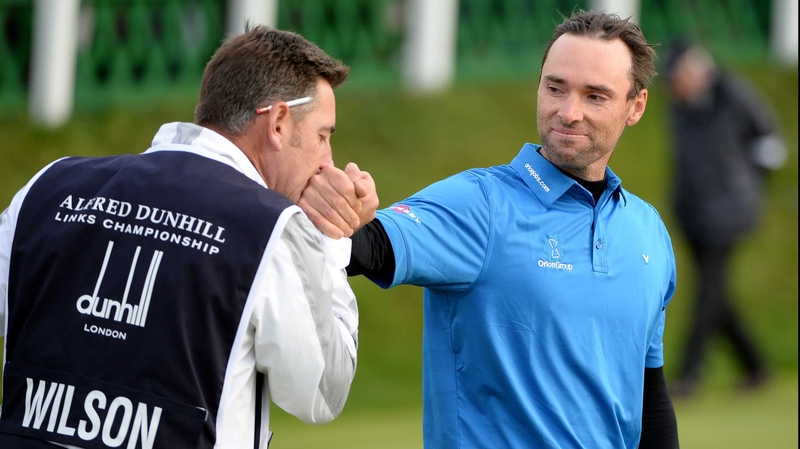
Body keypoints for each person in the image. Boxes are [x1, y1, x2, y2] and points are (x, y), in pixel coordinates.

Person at [300, 9, 680, 449]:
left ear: (636, 106)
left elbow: (650, 398)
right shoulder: (480, 203)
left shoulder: (648, 231)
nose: (568, 112)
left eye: (595, 96)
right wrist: (338, 212)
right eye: (555, 88)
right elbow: (367, 247)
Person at [0, 25, 377, 448]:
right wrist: (330, 238)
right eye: (323, 136)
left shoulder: (50, 186)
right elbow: (323, 391)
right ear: (278, 123)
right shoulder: (272, 229)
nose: (327, 161)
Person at [663, 41, 786, 396]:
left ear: (694, 69)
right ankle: (756, 366)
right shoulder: (678, 109)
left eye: (677, 76)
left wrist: (747, 184)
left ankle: (688, 375)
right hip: (693, 212)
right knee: (716, 295)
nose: (674, 86)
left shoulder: (734, 94)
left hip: (731, 211)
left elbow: (771, 143)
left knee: (706, 292)